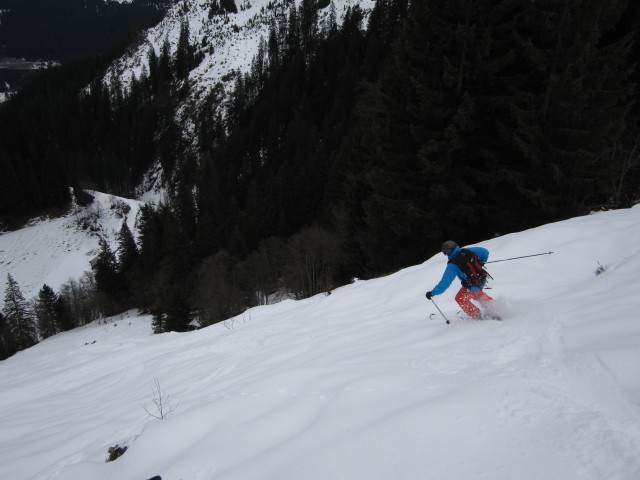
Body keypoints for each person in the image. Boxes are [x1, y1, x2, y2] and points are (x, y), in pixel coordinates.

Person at [425, 240, 496, 320]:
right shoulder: (467, 251)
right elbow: (485, 252)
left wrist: (432, 293)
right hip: (482, 279)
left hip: (472, 285)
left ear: (447, 253)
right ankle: (494, 308)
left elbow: (445, 283)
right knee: (476, 293)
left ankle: (477, 316)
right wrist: (481, 262)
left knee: (460, 298)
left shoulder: (452, 265)